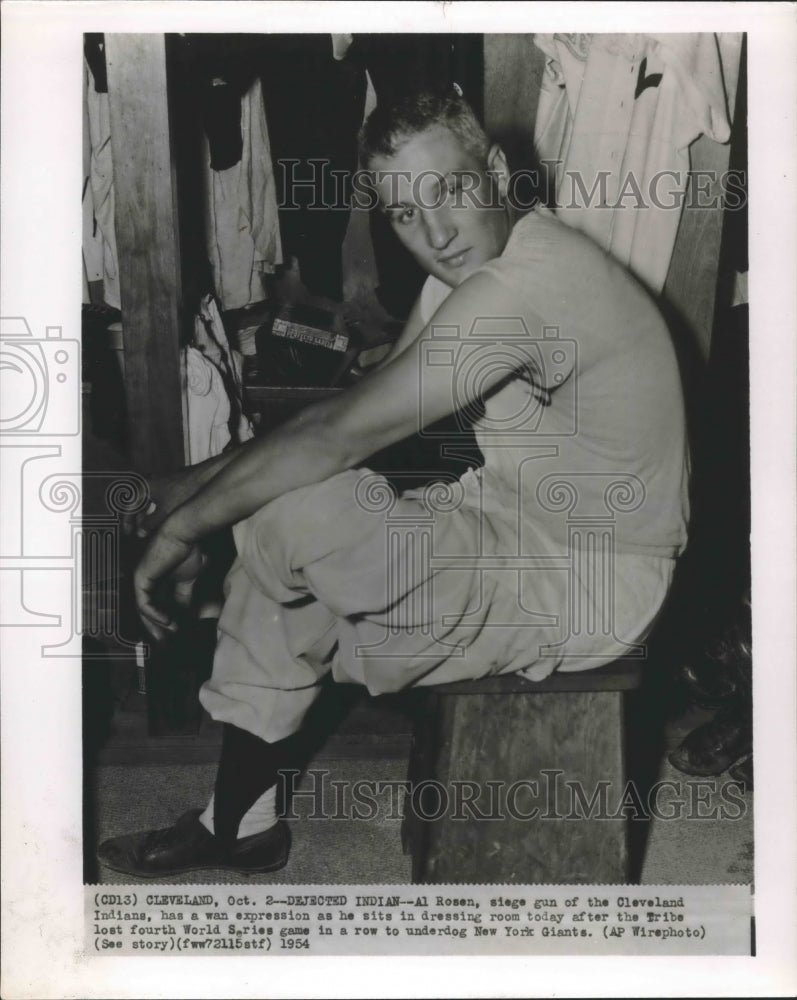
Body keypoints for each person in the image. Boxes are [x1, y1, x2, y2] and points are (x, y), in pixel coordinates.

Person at [98, 87, 690, 877]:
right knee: (291, 516)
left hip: (593, 580)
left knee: (295, 519)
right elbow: (357, 411)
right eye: (406, 213)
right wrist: (188, 485)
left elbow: (340, 436)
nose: (436, 234)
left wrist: (184, 525)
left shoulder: (528, 284)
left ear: (497, 171)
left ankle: (244, 791)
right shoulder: (476, 268)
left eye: (448, 190)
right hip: (512, 523)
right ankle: (238, 823)